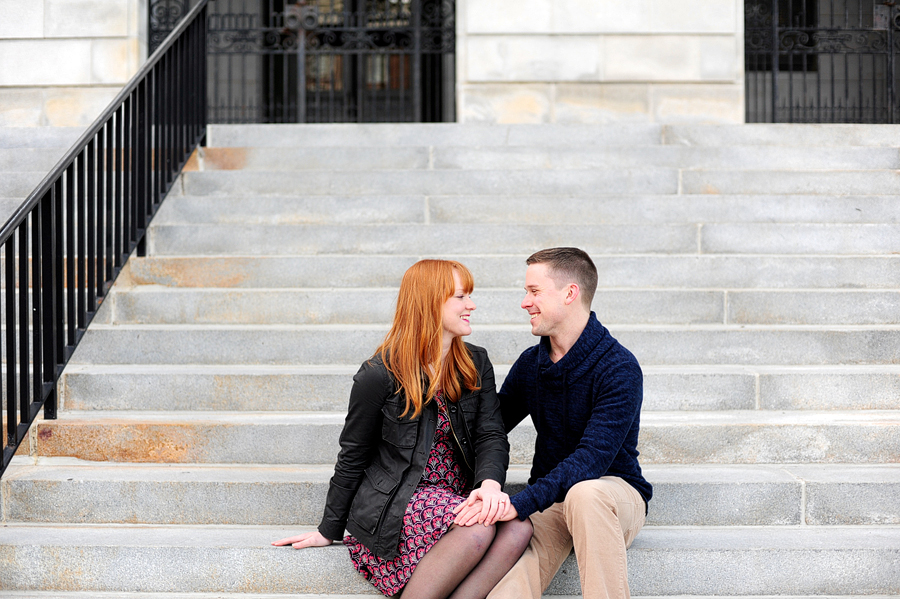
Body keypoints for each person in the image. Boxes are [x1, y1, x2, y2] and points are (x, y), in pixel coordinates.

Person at [274, 259, 534, 599]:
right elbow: (353, 454)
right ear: (429, 302)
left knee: (518, 527)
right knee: (478, 530)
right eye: (460, 297)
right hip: (399, 501)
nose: (470, 305)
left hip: (454, 495)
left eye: (469, 296)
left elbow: (491, 433)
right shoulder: (379, 374)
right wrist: (329, 529)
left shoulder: (475, 362)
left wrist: (489, 484)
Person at [453, 247, 652, 599]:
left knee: (585, 492)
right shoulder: (533, 364)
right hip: (553, 503)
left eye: (534, 291)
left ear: (570, 293)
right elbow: (490, 428)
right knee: (509, 581)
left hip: (612, 495)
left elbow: (591, 460)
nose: (524, 302)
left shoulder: (618, 368)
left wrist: (520, 503)